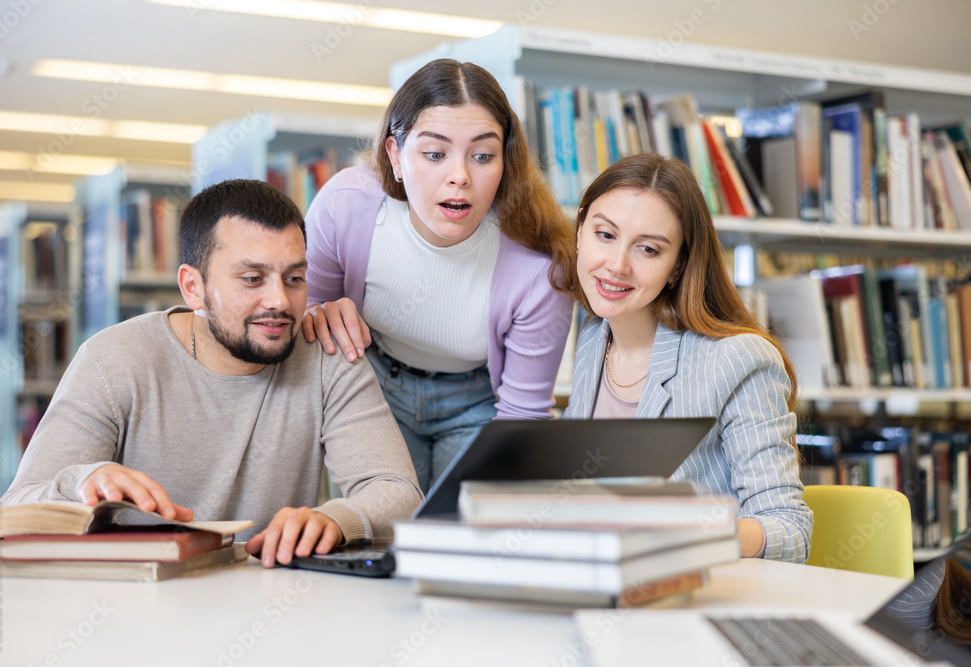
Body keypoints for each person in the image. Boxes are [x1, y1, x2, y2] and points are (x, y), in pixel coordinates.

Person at [1, 179, 423, 568]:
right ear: (193, 287)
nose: (279, 300)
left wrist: (338, 520)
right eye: (252, 279)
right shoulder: (114, 359)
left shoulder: (327, 356)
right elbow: (15, 511)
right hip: (133, 610)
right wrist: (83, 480)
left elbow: (398, 492)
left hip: (269, 609)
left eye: (294, 278)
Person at [303, 58, 576, 492]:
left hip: (478, 401)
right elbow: (305, 324)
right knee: (378, 535)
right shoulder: (346, 206)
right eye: (434, 153)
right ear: (395, 155)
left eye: (483, 156)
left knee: (464, 533)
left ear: (505, 162)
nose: (460, 177)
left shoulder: (540, 265)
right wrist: (317, 314)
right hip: (371, 385)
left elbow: (523, 416)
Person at [563, 153, 813, 563]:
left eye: (647, 249)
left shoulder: (737, 359)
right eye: (605, 235)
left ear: (677, 267)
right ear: (580, 232)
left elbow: (789, 529)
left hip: (700, 591)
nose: (617, 265)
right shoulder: (594, 337)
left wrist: (696, 532)